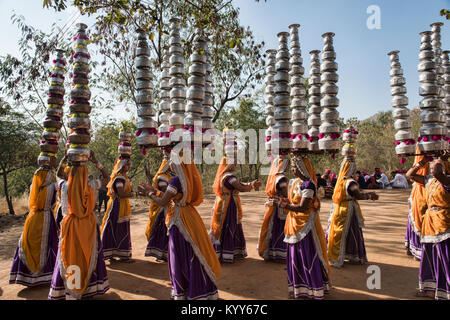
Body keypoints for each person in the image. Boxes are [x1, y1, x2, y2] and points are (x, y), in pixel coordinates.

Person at [139, 155, 221, 300]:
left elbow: (164, 201)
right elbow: (171, 196)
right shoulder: (189, 178)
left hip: (180, 220)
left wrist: (149, 193)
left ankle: (185, 290)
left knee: (180, 254)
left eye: (172, 161)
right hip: (190, 216)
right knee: (194, 252)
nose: (169, 164)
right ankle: (201, 288)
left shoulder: (176, 180)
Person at [48, 152, 110, 300]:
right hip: (88, 226)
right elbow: (108, 178)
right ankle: (88, 289)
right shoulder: (91, 185)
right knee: (88, 254)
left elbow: (58, 175)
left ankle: (70, 289)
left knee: (69, 255)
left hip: (70, 226)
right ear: (85, 173)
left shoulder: (64, 185)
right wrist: (96, 161)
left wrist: (64, 159)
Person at [271, 154, 330, 300]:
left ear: (302, 168)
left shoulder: (308, 185)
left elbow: (303, 208)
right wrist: (280, 200)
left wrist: (282, 204)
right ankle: (300, 288)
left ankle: (313, 288)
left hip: (306, 226)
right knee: (295, 256)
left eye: (294, 167)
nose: (293, 170)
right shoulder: (295, 182)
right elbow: (292, 201)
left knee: (307, 255)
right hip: (294, 224)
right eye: (292, 167)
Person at [10, 156, 59, 286]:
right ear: (45, 178)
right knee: (47, 243)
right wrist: (56, 166)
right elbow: (64, 181)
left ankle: (27, 277)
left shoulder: (35, 187)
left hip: (32, 219)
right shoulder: (50, 188)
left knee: (29, 243)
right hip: (45, 218)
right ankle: (45, 276)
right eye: (48, 176)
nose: (50, 177)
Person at [406, 152, 450, 300]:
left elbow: (438, 172)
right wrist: (422, 161)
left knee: (444, 256)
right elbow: (410, 174)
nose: (431, 170)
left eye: (433, 167)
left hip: (444, 222)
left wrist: (442, 158)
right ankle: (429, 289)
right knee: (429, 256)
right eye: (430, 168)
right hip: (429, 223)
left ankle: (445, 290)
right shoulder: (429, 180)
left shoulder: (447, 180)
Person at [326, 159, 379, 268]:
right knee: (350, 231)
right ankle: (348, 255)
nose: (355, 170)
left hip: (339, 209)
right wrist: (370, 195)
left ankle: (339, 255)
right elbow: (358, 195)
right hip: (348, 210)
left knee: (340, 232)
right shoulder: (351, 182)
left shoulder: (341, 181)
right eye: (353, 168)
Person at [210, 156, 261, 263]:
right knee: (229, 224)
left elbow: (240, 185)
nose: (236, 165)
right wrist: (251, 186)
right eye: (234, 163)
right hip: (228, 205)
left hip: (225, 202)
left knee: (225, 225)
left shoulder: (225, 176)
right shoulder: (229, 177)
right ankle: (226, 253)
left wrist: (250, 184)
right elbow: (241, 188)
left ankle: (225, 251)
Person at [100, 156, 137, 262]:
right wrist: (135, 193)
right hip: (117, 205)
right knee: (117, 227)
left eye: (129, 164)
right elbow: (120, 194)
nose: (129, 166)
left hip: (122, 205)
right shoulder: (119, 178)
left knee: (120, 228)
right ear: (121, 166)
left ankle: (117, 253)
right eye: (127, 164)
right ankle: (115, 254)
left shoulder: (124, 178)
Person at [140, 156, 172, 261]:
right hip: (162, 207)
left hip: (167, 205)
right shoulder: (162, 177)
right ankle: (162, 253)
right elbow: (165, 194)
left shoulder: (168, 176)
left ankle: (164, 253)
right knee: (163, 230)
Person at [257, 155, 289, 262]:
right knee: (280, 228)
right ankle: (279, 252)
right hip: (280, 205)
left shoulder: (273, 177)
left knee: (272, 226)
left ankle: (271, 252)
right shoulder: (282, 178)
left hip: (273, 205)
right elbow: (286, 193)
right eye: (287, 163)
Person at [404, 147, 429, 259]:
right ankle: (418, 249)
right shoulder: (427, 177)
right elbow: (410, 175)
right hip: (420, 193)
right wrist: (422, 162)